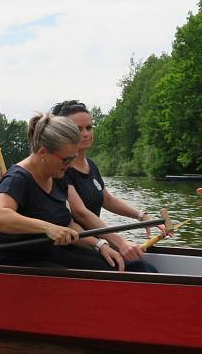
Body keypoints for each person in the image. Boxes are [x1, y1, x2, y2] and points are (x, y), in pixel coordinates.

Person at [0, 113, 156, 272]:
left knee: (138, 266)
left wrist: (101, 245)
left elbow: (67, 224)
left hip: (51, 255)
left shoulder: (58, 174)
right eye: (66, 159)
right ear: (43, 152)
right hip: (16, 263)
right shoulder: (18, 178)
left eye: (73, 158)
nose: (70, 165)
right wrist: (47, 228)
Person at [51, 100, 155, 260]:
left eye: (89, 127)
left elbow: (106, 199)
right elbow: (80, 213)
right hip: (76, 246)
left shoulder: (90, 164)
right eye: (78, 129)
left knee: (143, 263)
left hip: (98, 243)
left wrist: (143, 216)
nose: (86, 133)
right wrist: (120, 242)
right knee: (141, 267)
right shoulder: (61, 169)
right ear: (64, 132)